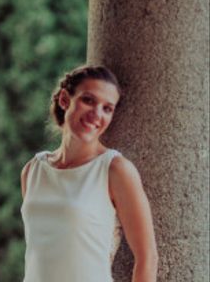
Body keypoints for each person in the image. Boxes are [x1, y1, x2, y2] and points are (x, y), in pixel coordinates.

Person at [20, 65, 158, 282]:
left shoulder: (114, 169)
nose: (96, 114)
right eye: (88, 100)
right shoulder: (33, 170)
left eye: (107, 108)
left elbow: (147, 258)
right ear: (65, 100)